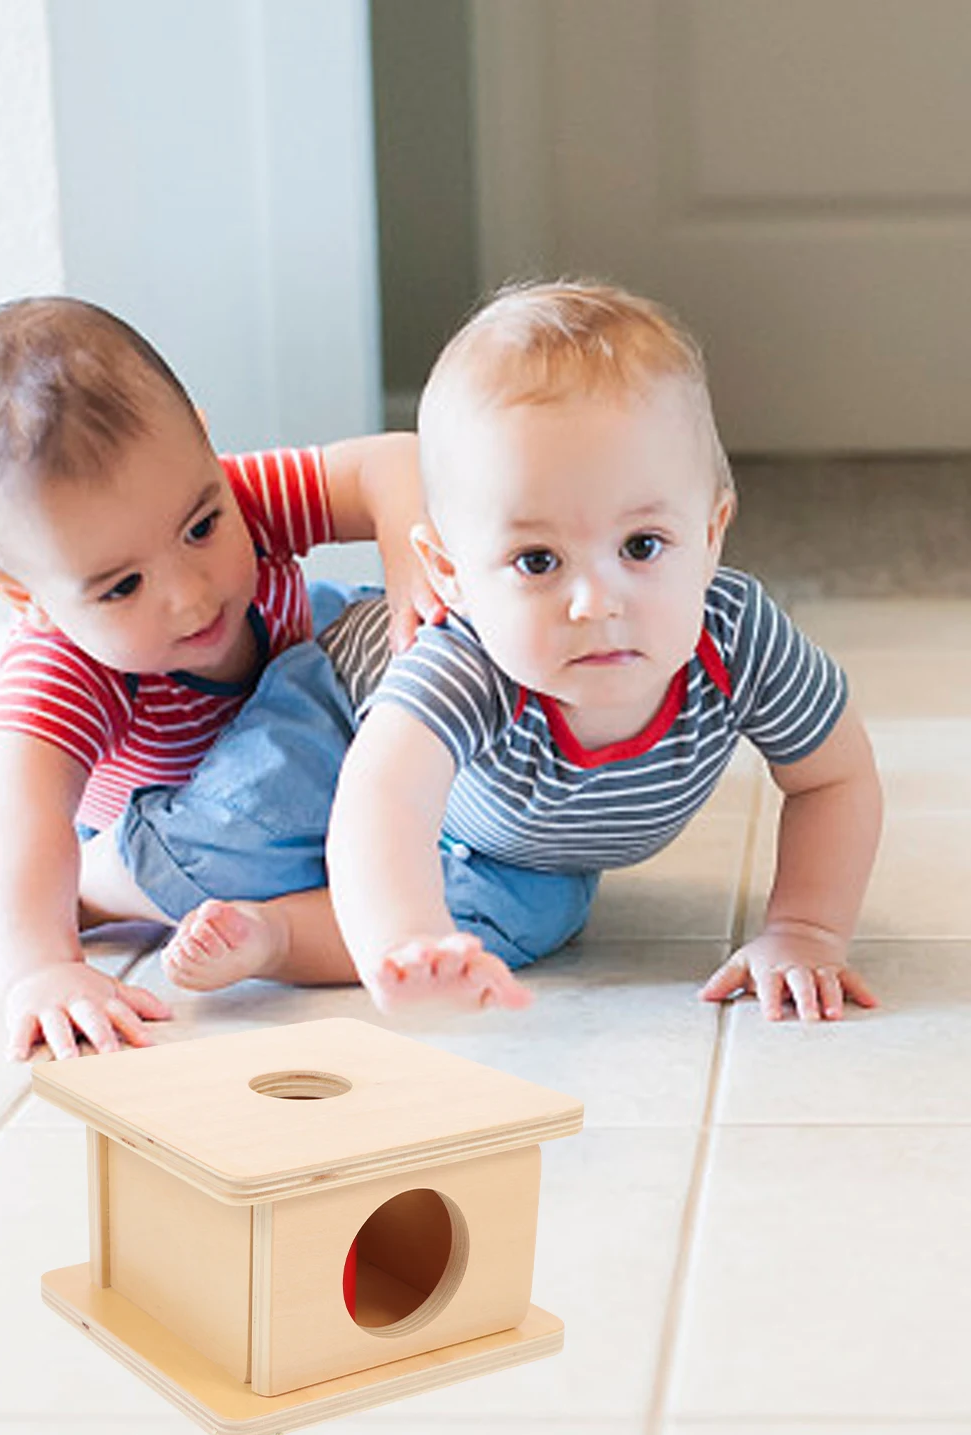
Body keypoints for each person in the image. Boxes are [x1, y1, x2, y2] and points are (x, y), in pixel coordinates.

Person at [197, 280, 883, 1024]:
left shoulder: (738, 638)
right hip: (332, 710)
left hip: (511, 839)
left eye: (642, 546)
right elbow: (383, 800)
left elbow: (834, 778)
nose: (596, 602)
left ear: (713, 534)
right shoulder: (466, 662)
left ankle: (274, 936)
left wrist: (805, 931)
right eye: (537, 560)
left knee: (510, 925)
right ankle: (102, 882)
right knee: (238, 836)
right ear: (451, 574)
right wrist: (405, 932)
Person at [0, 296, 437, 1060]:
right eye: (121, 587)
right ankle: (102, 885)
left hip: (300, 725)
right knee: (298, 870)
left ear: (202, 438)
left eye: (201, 528)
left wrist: (410, 574)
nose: (190, 594)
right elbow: (10, 810)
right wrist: (41, 968)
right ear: (29, 597)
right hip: (195, 813)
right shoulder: (63, 665)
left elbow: (391, 463)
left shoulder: (233, 496)